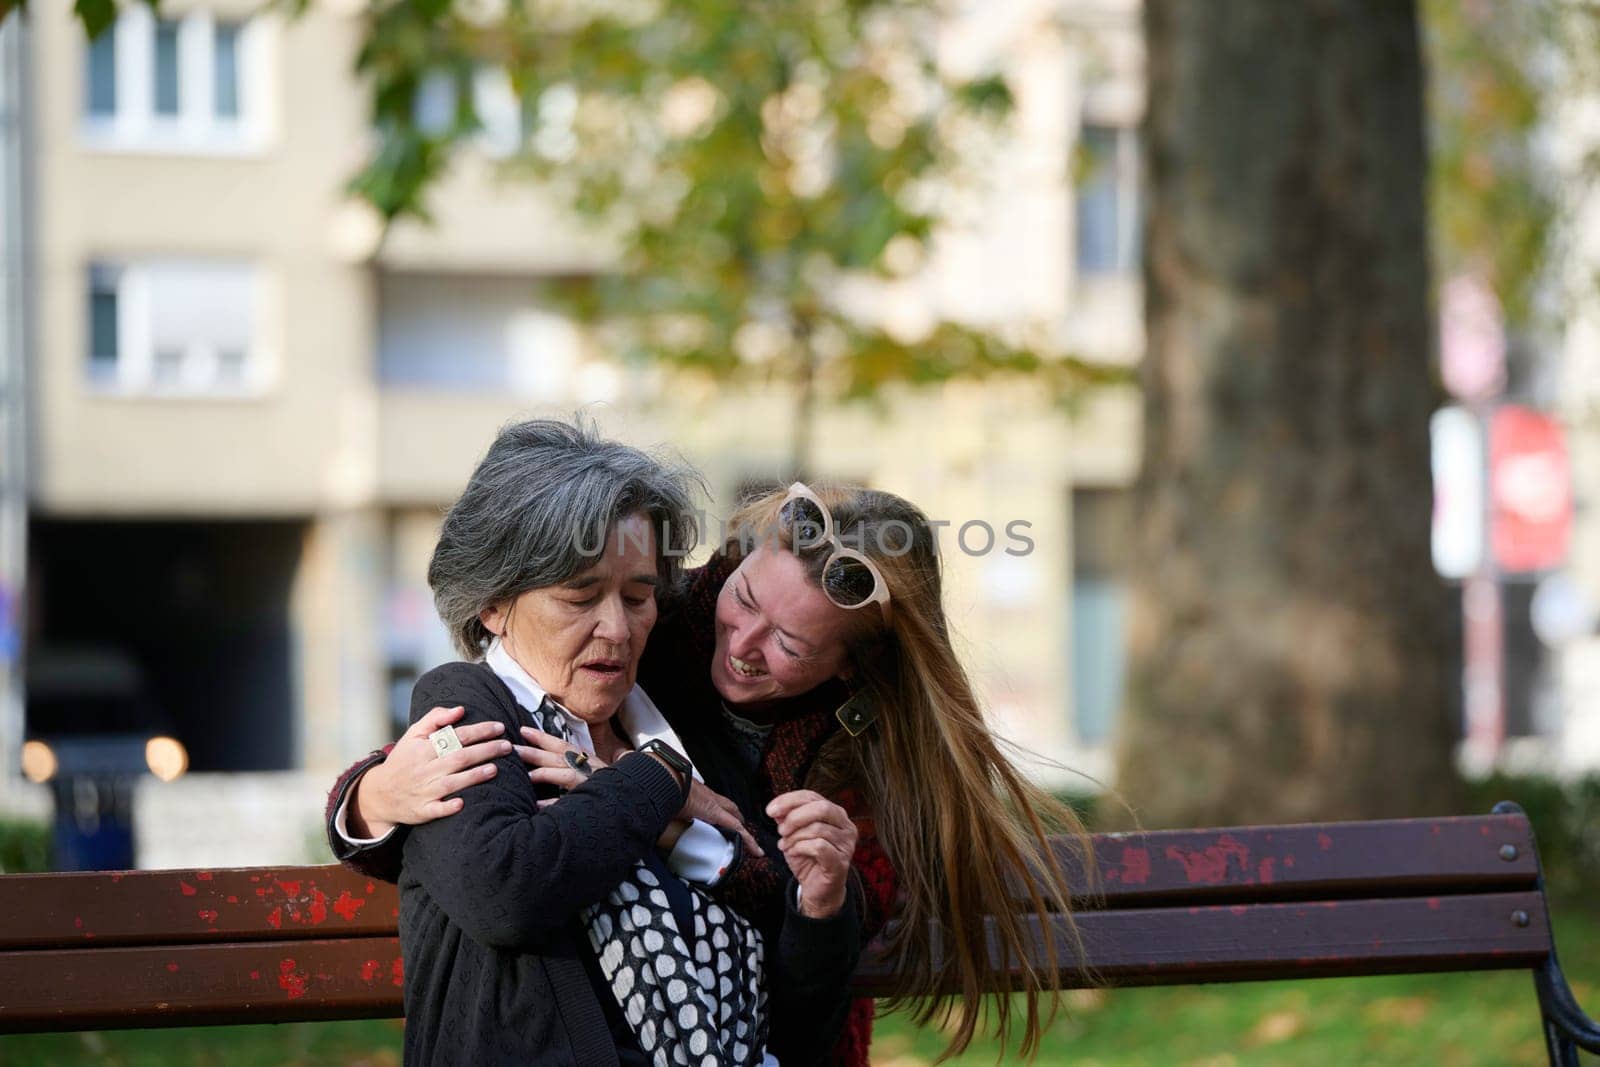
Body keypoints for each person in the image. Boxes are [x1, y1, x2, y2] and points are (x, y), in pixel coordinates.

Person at [332, 465, 1097, 1063]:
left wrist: (679, 824)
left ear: (849, 671)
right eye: (745, 597)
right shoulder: (651, 618)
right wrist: (367, 796)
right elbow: (491, 734)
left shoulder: (865, 763)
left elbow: (802, 967)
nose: (741, 644)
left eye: (789, 645)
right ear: (734, 561)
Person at [354, 418, 865, 1067]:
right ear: (493, 603)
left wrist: (820, 908)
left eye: (638, 594)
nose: (617, 628)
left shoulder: (683, 733)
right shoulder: (465, 708)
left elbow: (793, 1028)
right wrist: (655, 782)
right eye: (580, 595)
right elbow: (508, 891)